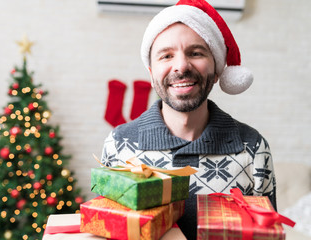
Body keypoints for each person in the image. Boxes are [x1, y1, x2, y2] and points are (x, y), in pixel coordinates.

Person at [101, 0, 277, 239]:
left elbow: (268, 235)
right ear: (152, 74)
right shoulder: (118, 144)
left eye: (196, 53)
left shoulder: (254, 148)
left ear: (216, 71)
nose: (181, 66)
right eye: (166, 56)